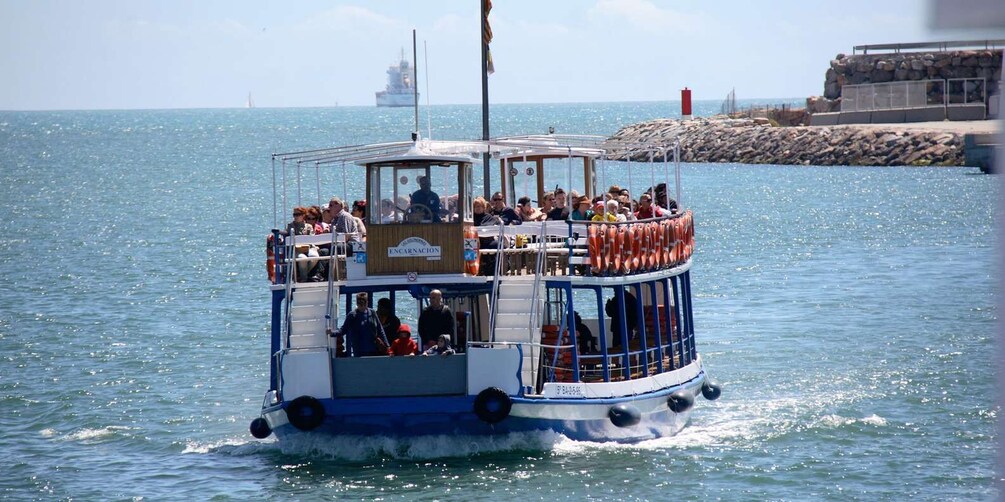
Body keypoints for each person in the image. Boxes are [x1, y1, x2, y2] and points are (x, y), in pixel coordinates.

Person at [334, 292, 389, 357]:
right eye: (360, 304)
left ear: (367, 302)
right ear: (357, 303)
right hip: (359, 352)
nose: (362, 306)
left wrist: (387, 346)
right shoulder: (352, 315)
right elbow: (343, 330)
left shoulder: (372, 313)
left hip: (374, 350)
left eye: (364, 303)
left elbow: (380, 330)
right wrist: (332, 333)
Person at [472, 197, 501, 275]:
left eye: (479, 206)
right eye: (476, 206)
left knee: (499, 245)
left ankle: (496, 270)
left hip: (488, 242)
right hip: (475, 242)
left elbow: (497, 224)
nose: (478, 208)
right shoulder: (471, 218)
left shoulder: (488, 217)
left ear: (483, 207)